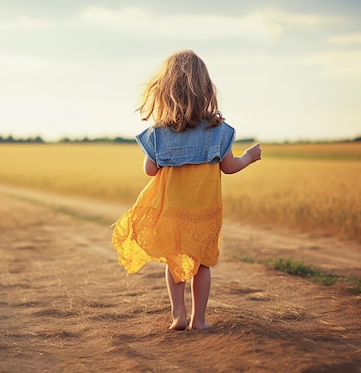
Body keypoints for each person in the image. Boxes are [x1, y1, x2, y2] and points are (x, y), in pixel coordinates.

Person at [111, 49, 262, 331]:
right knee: (202, 265)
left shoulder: (159, 133)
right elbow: (229, 167)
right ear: (206, 89)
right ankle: (198, 320)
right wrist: (250, 157)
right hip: (205, 212)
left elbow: (150, 170)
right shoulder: (219, 131)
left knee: (175, 262)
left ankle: (178, 316)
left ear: (166, 91)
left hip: (172, 211)